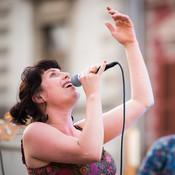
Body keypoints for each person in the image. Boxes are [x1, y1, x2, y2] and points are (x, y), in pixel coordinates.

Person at [10, 6, 154, 175]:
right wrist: (92, 94)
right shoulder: (34, 133)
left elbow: (142, 101)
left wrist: (130, 44)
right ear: (39, 96)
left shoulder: (83, 131)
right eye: (53, 74)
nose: (65, 75)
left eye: (62, 71)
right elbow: (89, 152)